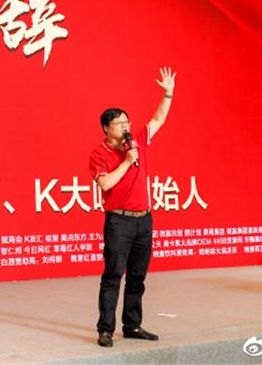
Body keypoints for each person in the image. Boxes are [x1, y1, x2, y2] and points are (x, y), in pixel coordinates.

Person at [89, 67, 176, 348]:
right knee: (113, 275)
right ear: (106, 128)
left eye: (127, 122)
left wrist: (168, 93)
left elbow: (159, 119)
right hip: (119, 222)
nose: (125, 127)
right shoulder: (99, 154)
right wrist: (127, 161)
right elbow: (105, 184)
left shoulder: (136, 139)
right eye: (119, 123)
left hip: (143, 219)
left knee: (138, 276)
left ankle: (132, 325)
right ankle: (105, 329)